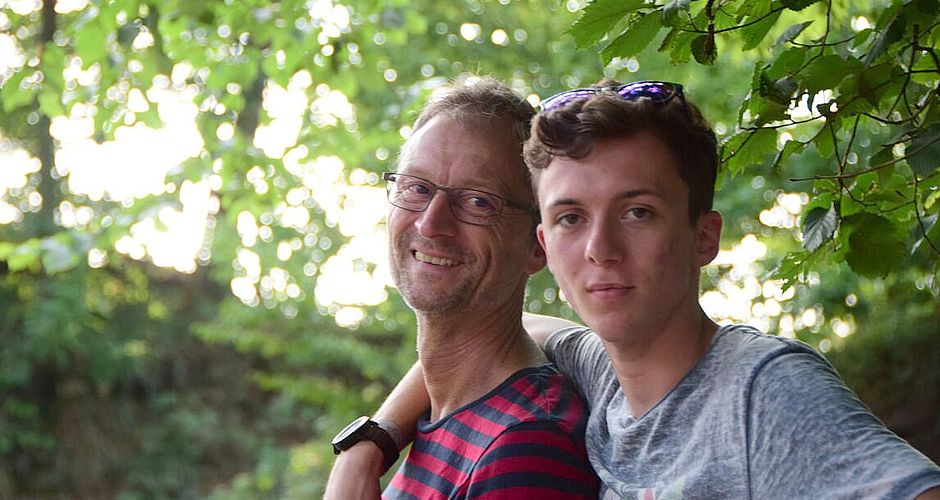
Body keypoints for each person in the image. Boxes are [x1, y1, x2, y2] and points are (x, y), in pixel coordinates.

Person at [327, 79, 940, 499]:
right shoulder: (602, 370)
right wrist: (371, 441)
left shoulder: (759, 389)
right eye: (571, 217)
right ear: (545, 244)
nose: (601, 248)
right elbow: (499, 334)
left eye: (638, 212)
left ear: (704, 236)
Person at [324, 76, 599, 499]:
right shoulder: (446, 415)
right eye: (417, 188)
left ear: (537, 245)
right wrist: (366, 444)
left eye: (478, 201)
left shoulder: (524, 448)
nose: (430, 223)